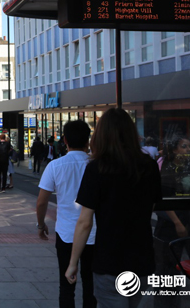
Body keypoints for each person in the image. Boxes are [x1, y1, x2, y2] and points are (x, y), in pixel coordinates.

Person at [65, 108, 162, 307]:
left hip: (109, 260)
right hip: (142, 258)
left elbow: (84, 222)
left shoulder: (97, 168)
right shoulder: (149, 166)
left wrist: (73, 263)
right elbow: (150, 207)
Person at [36, 120, 95, 308]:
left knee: (66, 285)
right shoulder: (97, 165)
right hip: (95, 235)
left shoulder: (55, 166)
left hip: (66, 234)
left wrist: (41, 225)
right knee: (91, 286)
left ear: (64, 140)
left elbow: (41, 201)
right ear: (88, 141)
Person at [153, 134, 190, 307]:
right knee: (168, 267)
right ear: (174, 150)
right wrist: (177, 223)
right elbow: (163, 199)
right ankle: (168, 301)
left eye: (189, 146)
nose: (188, 150)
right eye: (184, 146)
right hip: (170, 223)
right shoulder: (166, 169)